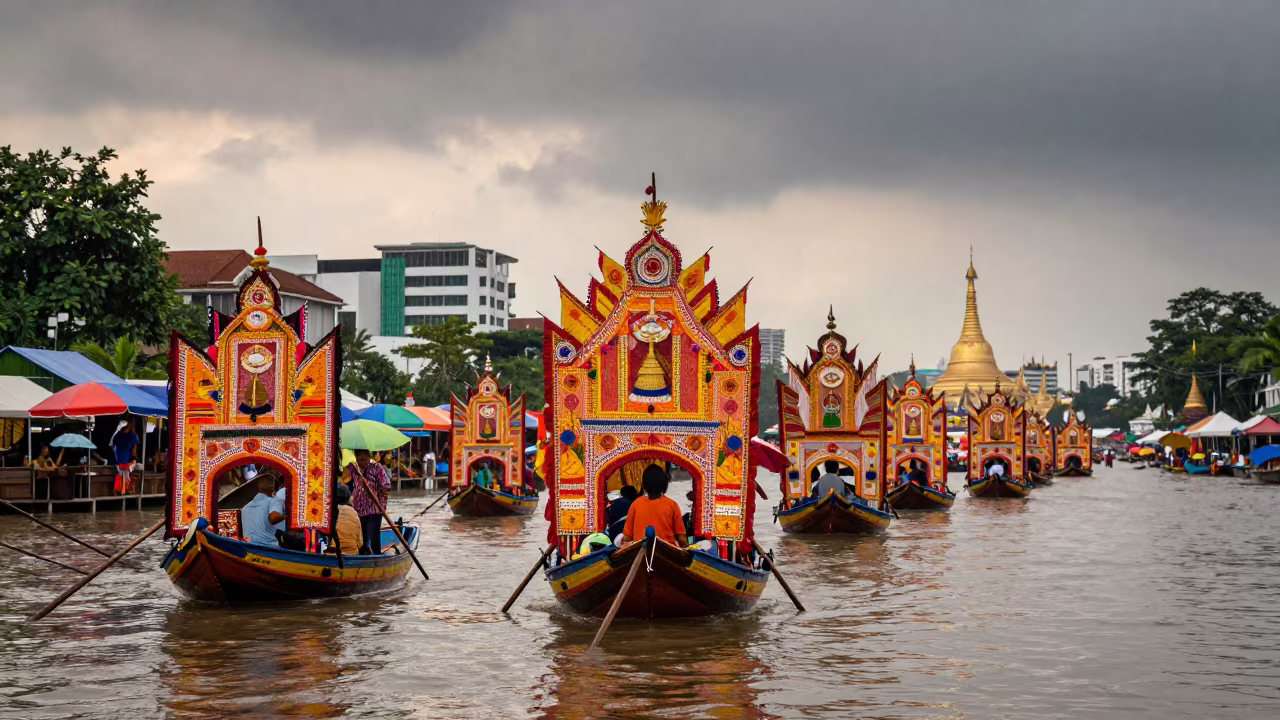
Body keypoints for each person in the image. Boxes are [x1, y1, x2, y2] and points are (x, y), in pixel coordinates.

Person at [620, 464, 687, 547]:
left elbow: (627, 537)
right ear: (664, 484)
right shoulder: (672, 505)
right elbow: (682, 538)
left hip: (640, 550)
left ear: (644, 485)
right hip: (667, 551)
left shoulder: (636, 504)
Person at [351, 449, 392, 554]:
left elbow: (385, 486)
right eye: (359, 455)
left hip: (375, 508)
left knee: (373, 536)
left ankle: (377, 557)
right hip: (359, 508)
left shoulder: (376, 467)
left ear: (369, 456)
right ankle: (363, 555)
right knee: (361, 538)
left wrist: (373, 489)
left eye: (364, 455)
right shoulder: (353, 467)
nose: (361, 459)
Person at [241, 476, 279, 545]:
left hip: (248, 546)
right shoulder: (273, 503)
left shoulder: (245, 508)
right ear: (272, 490)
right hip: (268, 547)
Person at [328, 483, 363, 555]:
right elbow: (360, 543)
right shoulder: (354, 513)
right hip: (352, 553)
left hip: (332, 553)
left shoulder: (329, 511)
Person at [112, 420, 139, 495]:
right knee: (120, 473)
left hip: (125, 457)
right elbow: (113, 444)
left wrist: (134, 449)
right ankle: (119, 490)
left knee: (124, 473)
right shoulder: (118, 435)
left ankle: (123, 489)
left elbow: (135, 444)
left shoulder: (132, 435)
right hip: (120, 456)